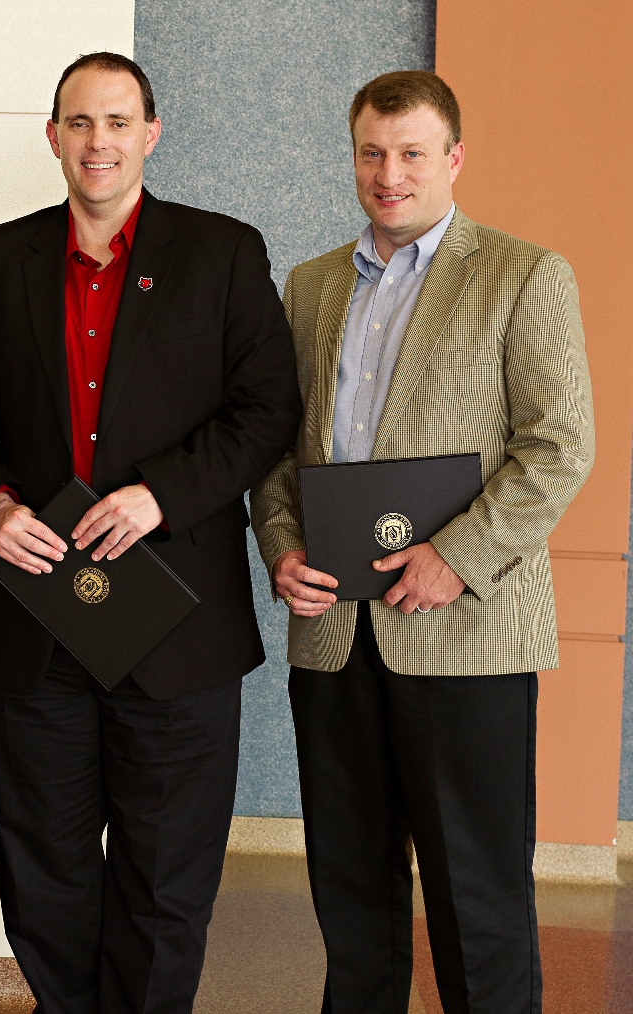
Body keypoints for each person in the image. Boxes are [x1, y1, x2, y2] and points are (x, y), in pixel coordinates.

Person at [0, 53, 301, 1012]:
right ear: (53, 136)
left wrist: (159, 497)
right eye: (80, 122)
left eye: (118, 121)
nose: (99, 141)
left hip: (178, 623)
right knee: (44, 872)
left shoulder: (223, 253)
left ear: (151, 133)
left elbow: (268, 410)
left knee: (166, 880)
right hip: (37, 619)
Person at [250, 70, 595, 1012]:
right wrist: (281, 546)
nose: (389, 173)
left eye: (410, 153)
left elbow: (560, 447)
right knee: (351, 896)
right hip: (335, 636)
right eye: (371, 152)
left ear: (454, 158)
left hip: (466, 637)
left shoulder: (524, 273)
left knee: (477, 902)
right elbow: (279, 449)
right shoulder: (312, 286)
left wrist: (459, 557)